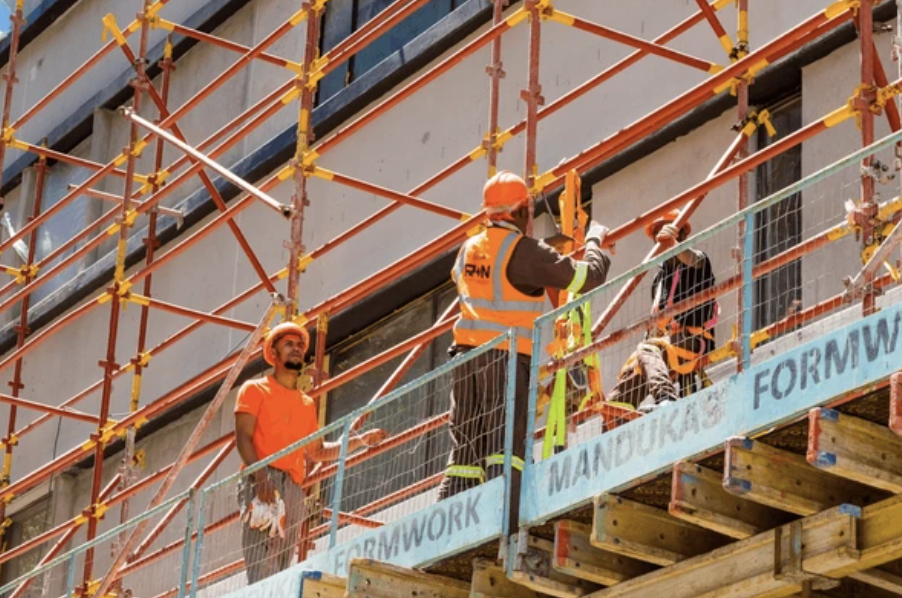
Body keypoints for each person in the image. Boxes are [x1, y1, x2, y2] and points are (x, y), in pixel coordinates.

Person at [438, 170, 612, 521]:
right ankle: (510, 523)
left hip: (463, 359)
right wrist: (596, 244)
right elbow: (586, 278)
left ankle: (450, 523)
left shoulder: (467, 249)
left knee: (465, 455)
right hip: (504, 360)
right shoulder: (524, 252)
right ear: (521, 211)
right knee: (507, 449)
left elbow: (465, 280)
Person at [234, 321, 386, 584]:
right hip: (263, 481)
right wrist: (261, 480)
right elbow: (243, 438)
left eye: (300, 345)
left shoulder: (305, 404)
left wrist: (359, 441)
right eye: (289, 344)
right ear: (273, 352)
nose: (297, 349)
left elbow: (317, 452)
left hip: (293, 489)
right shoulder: (255, 389)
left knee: (281, 566)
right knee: (262, 564)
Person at [607, 210, 717, 413]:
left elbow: (693, 259)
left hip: (692, 339)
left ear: (682, 233)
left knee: (647, 349)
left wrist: (672, 243)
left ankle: (665, 398)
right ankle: (616, 420)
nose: (660, 239)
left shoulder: (698, 261)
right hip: (664, 345)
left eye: (664, 230)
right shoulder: (660, 280)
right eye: (657, 234)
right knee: (624, 381)